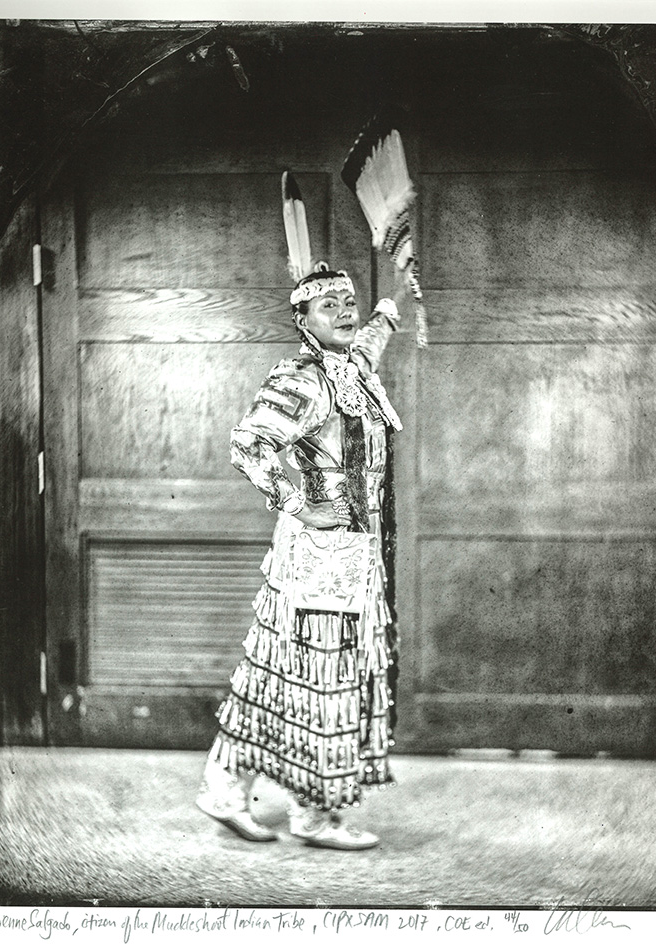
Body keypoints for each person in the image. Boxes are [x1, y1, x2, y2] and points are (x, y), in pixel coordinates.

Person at [196, 261, 402, 850]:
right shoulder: (304, 379)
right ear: (302, 320)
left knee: (309, 676)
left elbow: (368, 344)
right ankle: (276, 803)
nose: (345, 311)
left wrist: (388, 309)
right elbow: (249, 443)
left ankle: (285, 804)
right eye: (329, 304)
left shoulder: (352, 368)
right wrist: (297, 503)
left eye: (349, 301)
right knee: (312, 675)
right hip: (318, 556)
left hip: (356, 555)